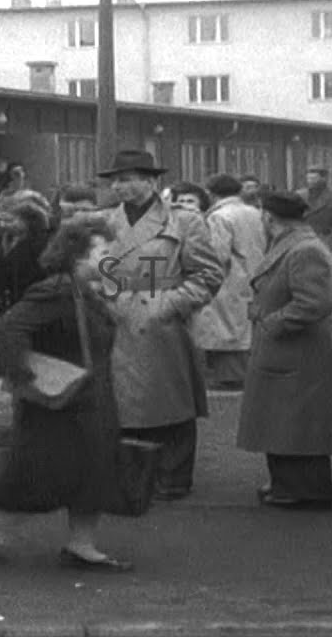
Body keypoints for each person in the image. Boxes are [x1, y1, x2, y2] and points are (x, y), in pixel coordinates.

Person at [0, 217, 133, 572]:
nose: (111, 257)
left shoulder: (83, 291)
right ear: (78, 255)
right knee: (45, 469)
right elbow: (8, 328)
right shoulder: (58, 290)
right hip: (62, 398)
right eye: (103, 251)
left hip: (86, 394)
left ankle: (82, 545)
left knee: (92, 469)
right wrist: (26, 374)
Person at [99, 150, 223, 501]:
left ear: (152, 181)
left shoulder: (183, 221)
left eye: (127, 179)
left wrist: (169, 304)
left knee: (169, 403)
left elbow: (208, 274)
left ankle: (173, 477)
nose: (119, 186)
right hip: (114, 318)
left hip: (161, 322)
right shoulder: (104, 221)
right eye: (116, 180)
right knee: (121, 405)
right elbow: (91, 268)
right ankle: (131, 476)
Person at [236, 192, 332, 510]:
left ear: (269, 218)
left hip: (295, 347)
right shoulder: (296, 244)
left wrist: (273, 323)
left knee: (296, 421)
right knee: (283, 420)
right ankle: (285, 483)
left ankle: (302, 489)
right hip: (287, 349)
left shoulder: (304, 249)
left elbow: (314, 303)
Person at [190, 175, 267, 391]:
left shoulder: (219, 217)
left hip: (229, 277)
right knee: (245, 326)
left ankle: (229, 376)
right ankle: (247, 372)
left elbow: (218, 253)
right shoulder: (255, 213)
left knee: (224, 328)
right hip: (255, 273)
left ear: (211, 193)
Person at [0, 194, 51, 323]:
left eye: (9, 221)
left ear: (28, 221)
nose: (3, 225)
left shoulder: (40, 245)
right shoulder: (1, 240)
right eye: (1, 220)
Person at [297, 167, 332, 293]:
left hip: (327, 243)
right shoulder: (299, 196)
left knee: (327, 284)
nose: (310, 181)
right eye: (309, 178)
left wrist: (330, 243)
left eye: (314, 178)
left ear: (324, 178)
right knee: (301, 283)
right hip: (302, 244)